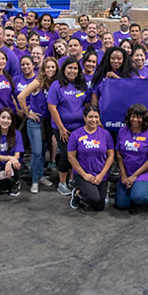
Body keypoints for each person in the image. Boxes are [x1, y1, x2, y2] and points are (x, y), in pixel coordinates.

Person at [48, 57, 91, 196]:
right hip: (63, 128)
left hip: (79, 127)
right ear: (64, 69)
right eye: (70, 68)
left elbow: (87, 104)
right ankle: (61, 183)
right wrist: (61, 128)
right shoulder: (56, 85)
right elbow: (52, 108)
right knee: (67, 154)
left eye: (75, 68)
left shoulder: (82, 84)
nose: (72, 71)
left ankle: (72, 179)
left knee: (78, 154)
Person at [18, 57, 59, 193]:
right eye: (48, 67)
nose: (50, 70)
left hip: (47, 123)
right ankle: (34, 181)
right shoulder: (38, 82)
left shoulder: (55, 83)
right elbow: (21, 96)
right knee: (36, 152)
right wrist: (28, 113)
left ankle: (40, 176)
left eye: (53, 67)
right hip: (35, 122)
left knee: (42, 152)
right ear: (43, 68)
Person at [114, 103, 148, 210]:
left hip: (144, 173)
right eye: (133, 116)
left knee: (138, 197)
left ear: (144, 118)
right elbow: (119, 154)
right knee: (121, 205)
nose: (135, 119)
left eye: (139, 117)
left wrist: (134, 176)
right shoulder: (122, 131)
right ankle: (135, 189)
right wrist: (124, 175)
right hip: (127, 172)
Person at [67, 105, 115, 211]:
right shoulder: (75, 135)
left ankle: (100, 190)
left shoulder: (105, 134)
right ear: (84, 118)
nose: (94, 120)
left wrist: (101, 175)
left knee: (99, 207)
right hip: (83, 174)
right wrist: (84, 175)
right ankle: (77, 193)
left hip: (100, 174)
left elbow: (111, 155)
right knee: (94, 199)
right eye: (90, 117)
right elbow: (71, 157)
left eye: (96, 117)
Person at [0, 107, 24, 196]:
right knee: (0, 176)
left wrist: (9, 163)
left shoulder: (17, 134)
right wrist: (9, 158)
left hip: (14, 164)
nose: (5, 121)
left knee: (14, 170)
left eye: (9, 118)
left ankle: (15, 182)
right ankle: (5, 183)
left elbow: (17, 155)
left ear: (12, 121)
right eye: (3, 117)